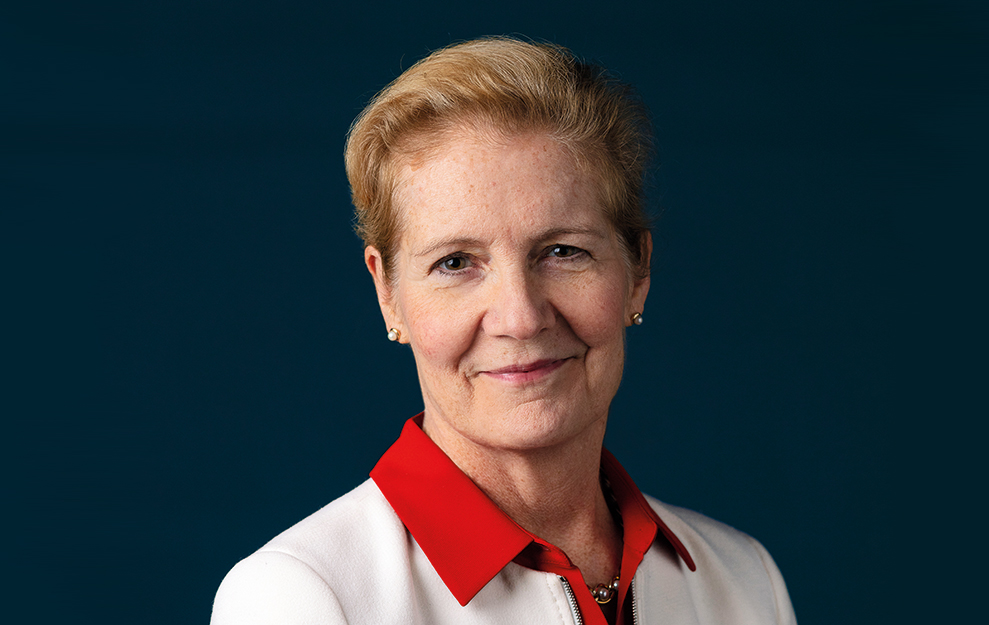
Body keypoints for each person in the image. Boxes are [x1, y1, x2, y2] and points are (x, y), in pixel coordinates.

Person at [211, 36, 796, 625]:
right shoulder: (302, 596)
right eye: (455, 263)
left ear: (637, 272)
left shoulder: (745, 583)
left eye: (563, 251)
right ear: (388, 295)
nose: (520, 318)